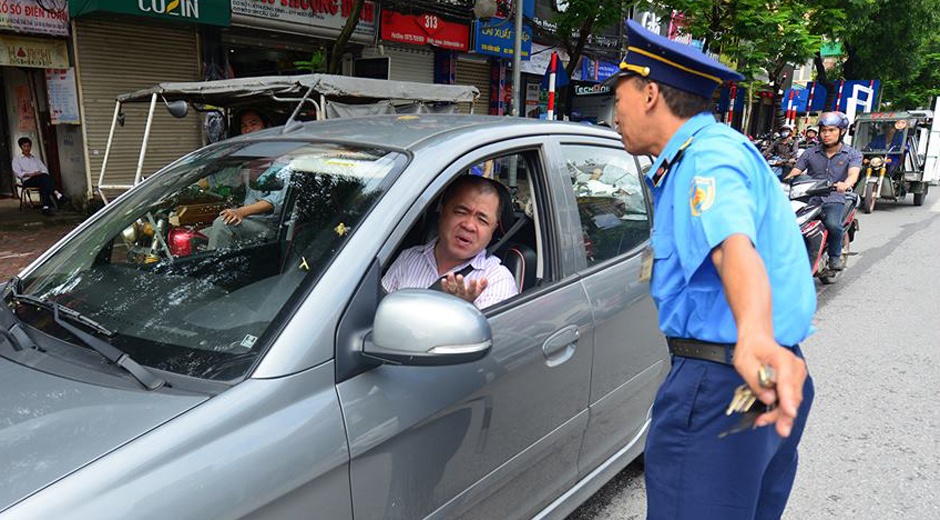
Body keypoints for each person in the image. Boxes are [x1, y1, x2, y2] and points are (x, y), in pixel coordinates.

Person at [606, 20, 815, 520]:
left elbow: (730, 245)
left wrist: (753, 334)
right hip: (758, 375)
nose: (614, 113)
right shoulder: (714, 150)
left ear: (650, 93)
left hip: (722, 381)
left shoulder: (706, 159)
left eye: (618, 98)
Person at [382, 175, 518, 309]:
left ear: (493, 228)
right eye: (461, 212)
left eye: (482, 220)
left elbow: (491, 331)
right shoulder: (408, 259)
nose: (469, 225)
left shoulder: (497, 279)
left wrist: (465, 311)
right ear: (441, 210)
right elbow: (375, 315)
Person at [786, 111, 862, 271]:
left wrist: (845, 184)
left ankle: (835, 257)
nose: (826, 134)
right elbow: (795, 171)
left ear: (842, 132)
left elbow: (853, 174)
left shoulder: (852, 154)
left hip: (834, 198)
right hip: (809, 197)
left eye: (832, 130)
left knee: (833, 225)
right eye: (824, 130)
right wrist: (784, 181)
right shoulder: (809, 152)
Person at [205, 110, 288, 250]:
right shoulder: (249, 159)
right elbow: (226, 179)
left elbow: (273, 202)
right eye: (244, 126)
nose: (248, 129)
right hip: (248, 221)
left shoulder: (283, 159)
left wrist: (240, 212)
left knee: (222, 224)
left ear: (267, 126)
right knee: (195, 236)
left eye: (253, 124)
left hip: (271, 227)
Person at [12, 137, 68, 215]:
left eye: (28, 146)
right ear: (21, 147)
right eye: (25, 146)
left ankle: (46, 207)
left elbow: (45, 170)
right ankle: (57, 194)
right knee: (44, 179)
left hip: (40, 178)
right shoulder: (17, 160)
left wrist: (39, 173)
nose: (27, 148)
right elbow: (18, 173)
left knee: (44, 181)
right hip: (28, 180)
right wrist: (31, 174)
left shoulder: (35, 159)